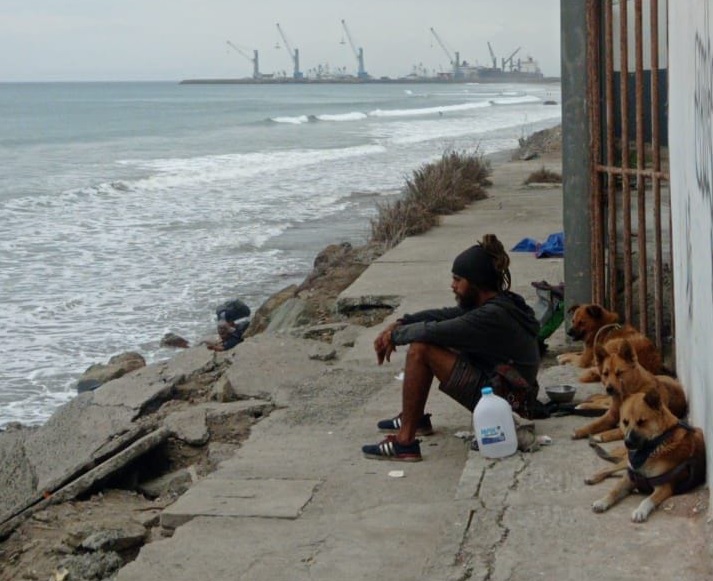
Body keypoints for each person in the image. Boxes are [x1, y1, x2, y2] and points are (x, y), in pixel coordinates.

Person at [362, 234, 541, 462]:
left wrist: (394, 336)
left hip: (508, 404)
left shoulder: (493, 315)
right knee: (430, 339)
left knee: (421, 348)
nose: (452, 286)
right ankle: (414, 419)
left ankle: (405, 442)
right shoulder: (497, 303)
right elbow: (443, 315)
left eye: (458, 280)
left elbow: (434, 331)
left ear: (475, 283)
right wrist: (401, 322)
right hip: (508, 391)